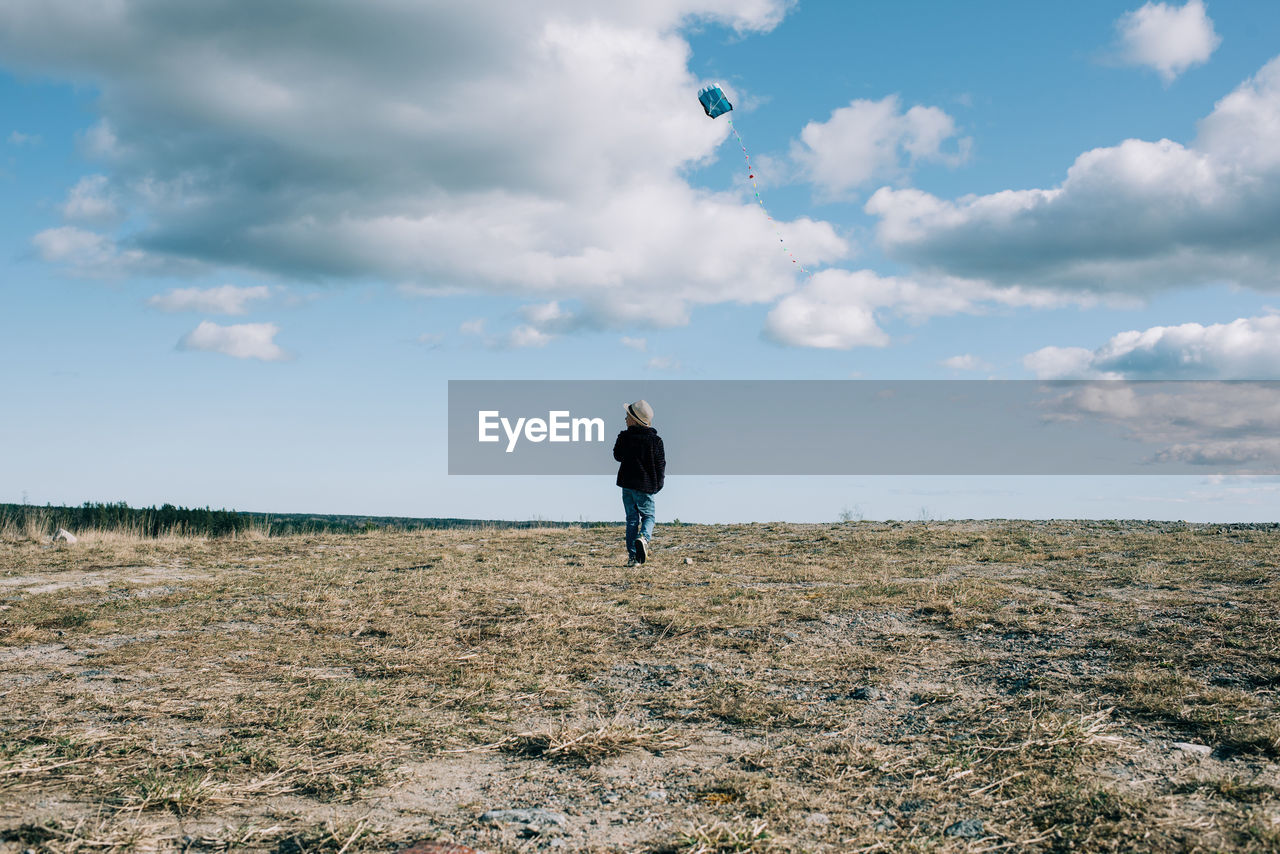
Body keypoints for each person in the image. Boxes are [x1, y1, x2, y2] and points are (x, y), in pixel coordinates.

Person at [613, 399, 665, 566]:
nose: (625, 419)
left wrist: (623, 437)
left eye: (627, 416)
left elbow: (617, 456)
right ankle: (643, 537)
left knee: (632, 519)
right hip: (645, 485)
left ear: (634, 420)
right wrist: (658, 484)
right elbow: (660, 464)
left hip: (627, 484)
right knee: (649, 516)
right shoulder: (655, 441)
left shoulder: (625, 437)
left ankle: (633, 557)